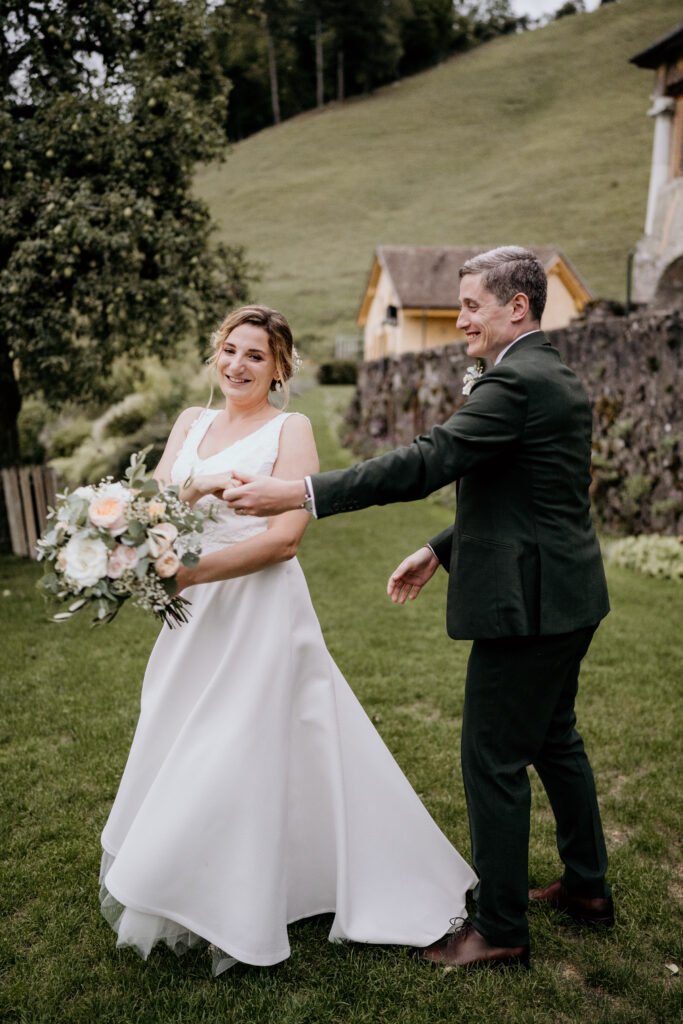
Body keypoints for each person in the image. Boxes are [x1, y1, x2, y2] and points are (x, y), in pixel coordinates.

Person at [222, 249, 614, 970]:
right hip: (567, 591)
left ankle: (497, 931)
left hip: (526, 606)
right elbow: (529, 493)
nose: (459, 318)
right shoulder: (550, 372)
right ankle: (587, 888)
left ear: (516, 308)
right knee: (555, 739)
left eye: (471, 305)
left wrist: (300, 494)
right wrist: (442, 546)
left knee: (492, 759)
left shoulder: (515, 382)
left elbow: (426, 461)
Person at [99, 304, 477, 975]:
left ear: (279, 368)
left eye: (255, 355)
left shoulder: (290, 428)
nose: (237, 365)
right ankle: (188, 879)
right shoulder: (190, 423)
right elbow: (151, 506)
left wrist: (191, 573)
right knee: (179, 726)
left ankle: (232, 905)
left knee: (237, 744)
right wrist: (190, 509)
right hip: (189, 614)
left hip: (256, 608)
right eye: (229, 350)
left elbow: (284, 539)